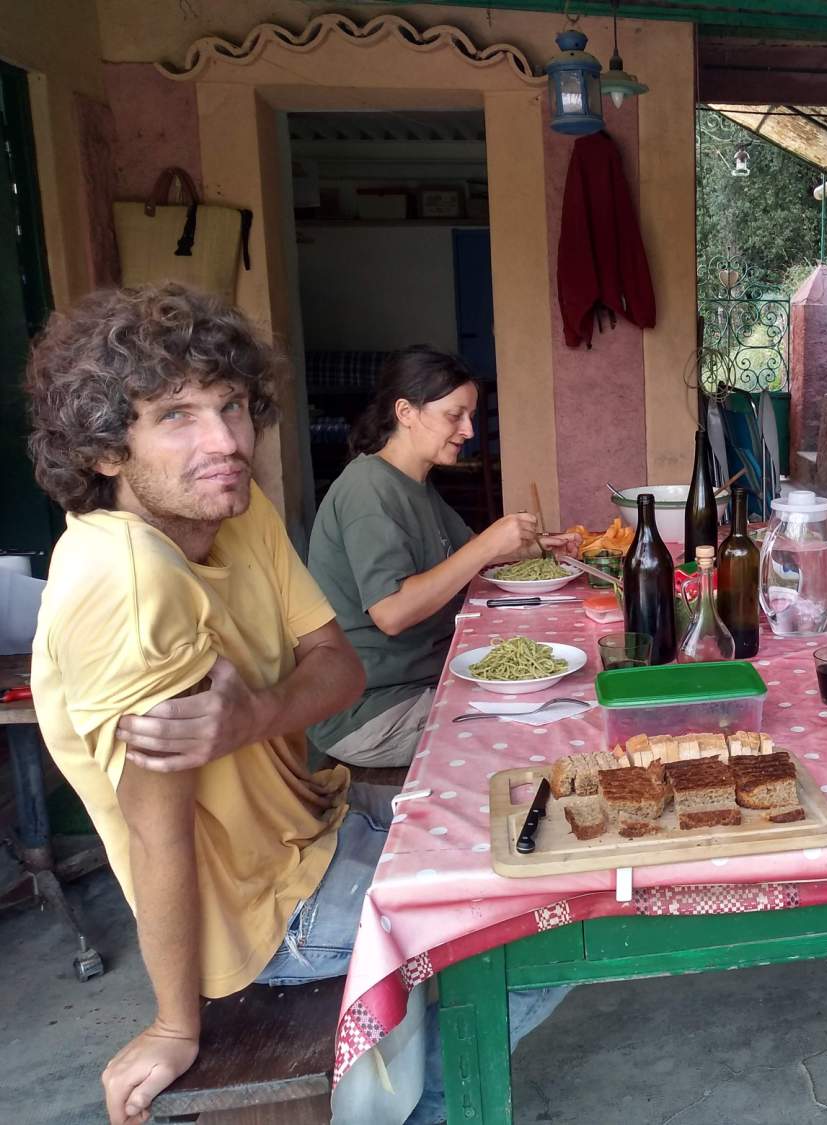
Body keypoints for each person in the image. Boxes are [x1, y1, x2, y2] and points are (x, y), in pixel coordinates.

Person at [26, 285, 560, 1125]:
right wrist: (174, 1024)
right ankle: (432, 1110)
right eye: (176, 416)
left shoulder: (235, 514)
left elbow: (339, 669)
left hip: (321, 826)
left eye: (232, 406)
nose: (224, 442)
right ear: (105, 449)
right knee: (546, 914)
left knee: (542, 826)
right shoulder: (129, 582)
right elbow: (157, 831)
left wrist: (253, 716)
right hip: (272, 916)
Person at [308, 346, 578, 768]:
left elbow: (468, 552)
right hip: (371, 710)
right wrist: (488, 545)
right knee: (540, 727)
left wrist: (535, 546)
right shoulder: (368, 489)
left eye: (470, 416)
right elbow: (392, 612)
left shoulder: (413, 483)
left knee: (558, 693)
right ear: (405, 412)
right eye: (455, 415)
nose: (469, 430)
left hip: (421, 680)